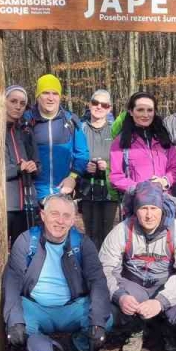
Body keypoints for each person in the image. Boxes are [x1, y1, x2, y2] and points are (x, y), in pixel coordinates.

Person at [2, 194, 112, 351]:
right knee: (33, 343)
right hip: (35, 307)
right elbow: (12, 284)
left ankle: (79, 346)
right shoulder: (26, 241)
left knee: (106, 317)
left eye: (66, 216)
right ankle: (36, 343)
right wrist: (15, 321)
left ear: (73, 220)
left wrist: (97, 322)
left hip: (72, 307)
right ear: (43, 215)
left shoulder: (82, 243)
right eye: (54, 214)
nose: (60, 221)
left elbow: (97, 282)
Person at [99, 183, 176, 351]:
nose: (149, 215)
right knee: (116, 306)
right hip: (134, 287)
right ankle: (135, 329)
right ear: (135, 210)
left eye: (153, 208)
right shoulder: (122, 230)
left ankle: (169, 331)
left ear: (162, 209)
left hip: (166, 287)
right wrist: (120, 296)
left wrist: (161, 301)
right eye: (143, 209)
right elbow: (104, 268)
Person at [22, 73, 89, 202]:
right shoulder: (25, 121)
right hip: (31, 195)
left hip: (63, 192)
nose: (51, 98)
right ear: (37, 96)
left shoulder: (71, 121)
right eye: (45, 93)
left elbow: (82, 155)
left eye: (55, 93)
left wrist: (72, 178)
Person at [111, 91, 176, 197]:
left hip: (163, 201)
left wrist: (165, 181)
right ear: (131, 111)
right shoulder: (120, 141)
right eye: (140, 110)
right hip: (136, 202)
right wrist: (139, 188)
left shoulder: (162, 138)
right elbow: (116, 177)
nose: (145, 115)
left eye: (150, 110)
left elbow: (175, 168)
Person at [79, 89, 117, 250]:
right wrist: (84, 167)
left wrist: (107, 166)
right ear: (90, 105)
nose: (99, 107)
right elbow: (74, 156)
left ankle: (107, 269)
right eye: (95, 103)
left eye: (104, 104)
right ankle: (90, 267)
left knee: (108, 233)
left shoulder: (116, 130)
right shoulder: (80, 129)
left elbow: (124, 159)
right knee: (90, 232)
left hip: (110, 190)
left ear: (109, 108)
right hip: (87, 189)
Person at [4, 85, 39, 247]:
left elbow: (37, 162)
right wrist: (18, 168)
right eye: (13, 101)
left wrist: (33, 167)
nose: (18, 106)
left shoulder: (25, 130)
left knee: (23, 250)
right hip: (5, 204)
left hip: (27, 201)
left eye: (22, 103)